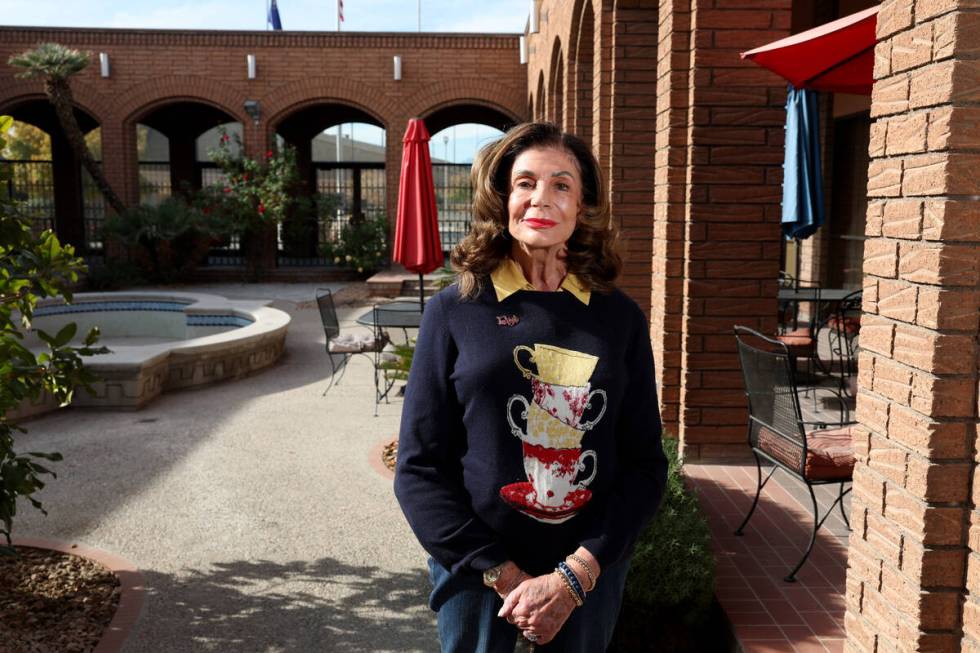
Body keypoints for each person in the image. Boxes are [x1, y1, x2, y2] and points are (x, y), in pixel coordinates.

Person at [394, 122, 668, 652]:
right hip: (476, 567)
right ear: (503, 199)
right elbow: (420, 467)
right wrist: (504, 576)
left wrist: (576, 575)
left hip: (589, 568)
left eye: (561, 185)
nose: (541, 198)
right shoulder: (454, 311)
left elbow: (644, 464)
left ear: (584, 205)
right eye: (525, 183)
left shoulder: (619, 318)